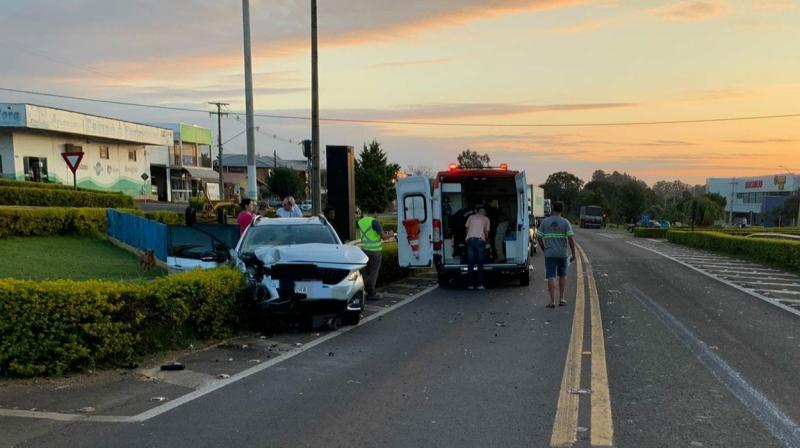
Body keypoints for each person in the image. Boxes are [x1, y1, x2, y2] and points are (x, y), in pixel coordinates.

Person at [536, 201, 576, 308]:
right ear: (562, 210)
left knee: (551, 275)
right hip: (562, 253)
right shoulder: (565, 222)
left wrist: (544, 249)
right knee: (562, 274)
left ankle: (552, 301)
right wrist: (573, 252)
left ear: (552, 209)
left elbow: (538, 237)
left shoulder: (545, 222)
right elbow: (571, 238)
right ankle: (562, 298)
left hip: (550, 253)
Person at [358, 208, 392, 300]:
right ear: (375, 212)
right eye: (378, 214)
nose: (378, 216)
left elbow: (370, 234)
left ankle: (360, 292)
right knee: (373, 273)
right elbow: (384, 237)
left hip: (365, 250)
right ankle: (371, 293)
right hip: (375, 251)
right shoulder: (375, 222)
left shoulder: (361, 221)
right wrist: (391, 234)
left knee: (366, 272)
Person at [465, 206, 491, 290]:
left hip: (470, 240)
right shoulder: (486, 219)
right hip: (480, 240)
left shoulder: (471, 217)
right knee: (480, 263)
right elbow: (486, 232)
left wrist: (467, 237)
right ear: (483, 212)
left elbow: (467, 229)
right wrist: (488, 240)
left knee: (470, 263)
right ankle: (479, 284)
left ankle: (470, 285)